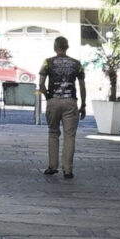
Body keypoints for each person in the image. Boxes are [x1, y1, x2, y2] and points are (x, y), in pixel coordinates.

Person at [36, 36, 86, 179]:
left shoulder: (48, 62)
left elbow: (41, 83)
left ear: (55, 47)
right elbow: (82, 85)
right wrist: (83, 104)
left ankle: (52, 166)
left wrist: (48, 96)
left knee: (53, 133)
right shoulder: (76, 64)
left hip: (53, 100)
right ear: (67, 47)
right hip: (70, 102)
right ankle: (67, 169)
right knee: (69, 136)